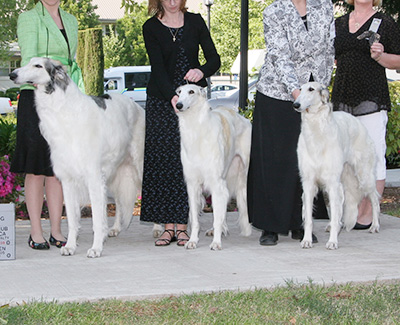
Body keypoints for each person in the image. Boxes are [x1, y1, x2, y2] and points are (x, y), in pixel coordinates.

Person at [247, 0, 335, 245]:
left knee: (307, 159)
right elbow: (278, 55)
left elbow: (328, 50)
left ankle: (300, 223)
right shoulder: (274, 10)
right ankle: (270, 227)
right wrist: (298, 96)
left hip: (313, 98)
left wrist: (320, 93)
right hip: (278, 94)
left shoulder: (325, 7)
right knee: (276, 160)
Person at [140, 0, 220, 246]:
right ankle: (167, 227)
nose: (173, 2)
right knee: (164, 161)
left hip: (192, 104)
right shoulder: (150, 27)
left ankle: (184, 226)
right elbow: (158, 69)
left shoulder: (196, 21)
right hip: (162, 100)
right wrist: (172, 97)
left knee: (188, 163)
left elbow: (214, 59)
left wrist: (201, 71)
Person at [11, 0, 84, 249]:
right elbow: (30, 60)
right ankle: (35, 231)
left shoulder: (72, 21)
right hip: (35, 97)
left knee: (57, 166)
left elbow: (71, 62)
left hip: (63, 97)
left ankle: (57, 230)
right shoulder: (29, 18)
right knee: (35, 167)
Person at [331, 0, 400, 229]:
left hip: (371, 98)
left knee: (373, 155)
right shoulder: (339, 22)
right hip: (342, 97)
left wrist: (381, 56)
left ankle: (369, 212)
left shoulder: (385, 22)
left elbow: (398, 61)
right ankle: (351, 210)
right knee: (345, 159)